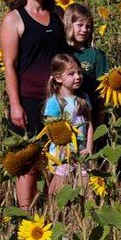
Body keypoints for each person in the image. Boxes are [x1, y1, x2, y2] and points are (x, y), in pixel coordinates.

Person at [0, 0, 69, 210]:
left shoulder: (58, 16)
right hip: (28, 99)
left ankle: (52, 216)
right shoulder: (14, 19)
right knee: (27, 164)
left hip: (59, 102)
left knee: (60, 162)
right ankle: (25, 216)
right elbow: (9, 65)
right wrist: (15, 104)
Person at [43, 54, 94, 196]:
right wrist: (64, 151)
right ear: (58, 78)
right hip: (62, 154)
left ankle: (84, 217)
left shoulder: (83, 98)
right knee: (59, 192)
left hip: (82, 152)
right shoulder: (54, 102)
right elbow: (52, 131)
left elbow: (89, 125)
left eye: (79, 72)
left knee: (86, 190)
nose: (77, 76)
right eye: (71, 74)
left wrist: (89, 148)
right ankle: (53, 214)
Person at [63, 3, 109, 128]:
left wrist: (99, 124)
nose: (84, 30)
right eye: (80, 25)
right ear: (68, 24)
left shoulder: (96, 55)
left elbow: (102, 94)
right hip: (62, 116)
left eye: (88, 26)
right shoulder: (61, 52)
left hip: (89, 118)